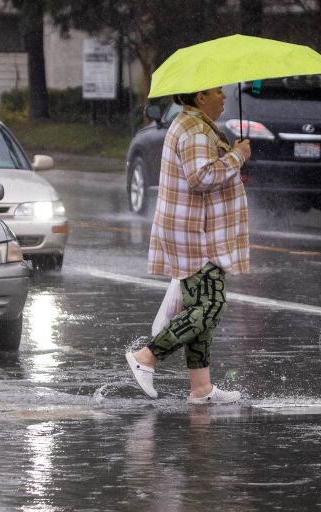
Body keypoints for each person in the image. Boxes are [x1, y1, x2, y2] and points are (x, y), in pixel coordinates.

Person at [124, 86, 251, 403]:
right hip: (196, 232)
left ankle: (201, 388)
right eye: (217, 91)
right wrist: (238, 157)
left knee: (202, 305)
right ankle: (147, 356)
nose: (223, 96)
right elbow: (201, 177)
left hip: (196, 229)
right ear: (199, 97)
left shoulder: (195, 124)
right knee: (210, 305)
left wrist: (230, 151)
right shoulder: (194, 128)